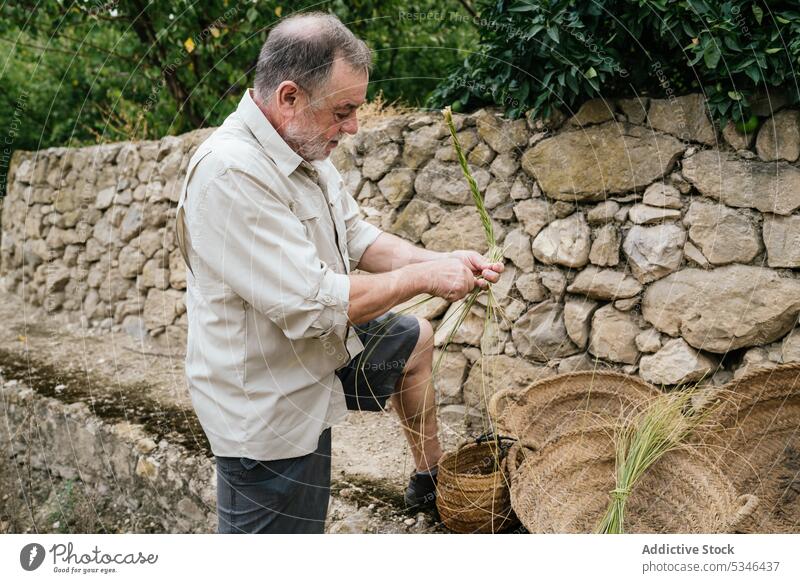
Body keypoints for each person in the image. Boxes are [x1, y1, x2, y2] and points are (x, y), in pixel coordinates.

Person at [175, 11, 504, 534]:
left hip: (314, 354)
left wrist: (442, 261)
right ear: (289, 97)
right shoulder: (231, 173)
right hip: (267, 403)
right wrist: (426, 281)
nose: (352, 127)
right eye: (344, 111)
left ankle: (430, 476)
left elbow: (360, 239)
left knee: (413, 338)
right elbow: (315, 303)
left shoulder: (303, 149)